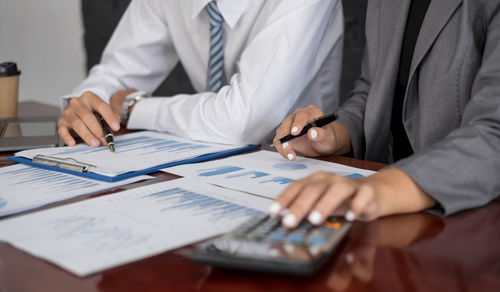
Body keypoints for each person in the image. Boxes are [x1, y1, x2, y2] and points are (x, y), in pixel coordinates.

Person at [270, 0, 500, 228]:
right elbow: (371, 91)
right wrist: (332, 135)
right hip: (385, 214)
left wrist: (379, 188)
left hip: (466, 217)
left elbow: (494, 134)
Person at [57, 0, 344, 147]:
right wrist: (84, 105)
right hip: (199, 163)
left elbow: (242, 121)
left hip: (295, 168)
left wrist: (134, 107)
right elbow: (114, 76)